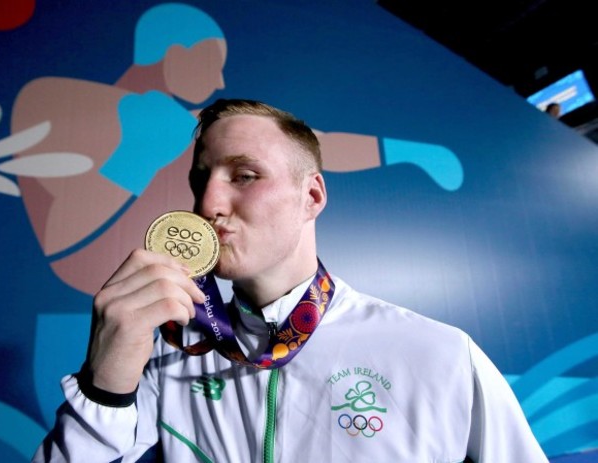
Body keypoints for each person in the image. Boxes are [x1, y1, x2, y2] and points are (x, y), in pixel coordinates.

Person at [33, 99, 548, 462]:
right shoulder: (171, 350)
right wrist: (104, 383)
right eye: (200, 180)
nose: (208, 204)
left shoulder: (437, 354)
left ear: (313, 197)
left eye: (244, 176)